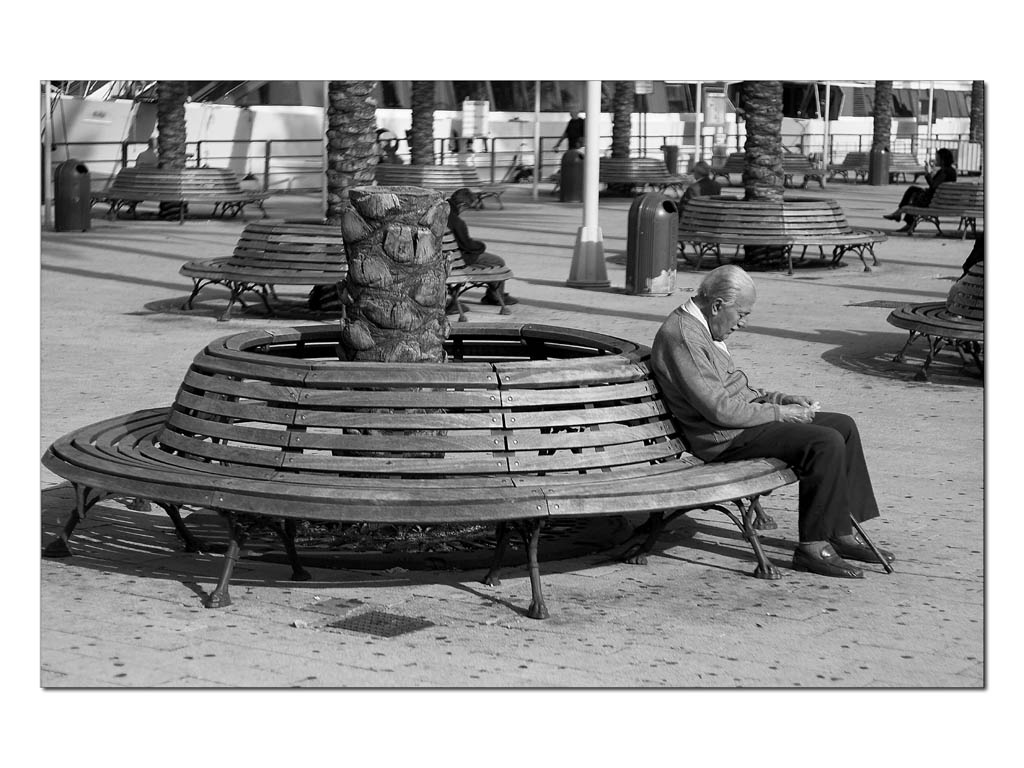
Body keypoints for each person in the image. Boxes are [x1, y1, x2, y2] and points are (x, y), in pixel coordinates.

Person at [650, 265, 895, 579]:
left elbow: (737, 391)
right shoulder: (684, 336)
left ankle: (840, 532)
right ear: (717, 306)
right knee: (823, 442)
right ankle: (812, 547)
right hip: (723, 438)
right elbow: (719, 410)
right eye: (741, 314)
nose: (743, 323)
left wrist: (781, 400)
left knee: (843, 426)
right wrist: (781, 413)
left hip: (741, 424)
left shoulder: (705, 325)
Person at [446, 188, 518, 312]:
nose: (465, 211)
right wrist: (481, 246)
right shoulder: (457, 222)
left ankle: (493, 295)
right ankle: (495, 297)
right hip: (458, 259)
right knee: (498, 261)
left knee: (488, 258)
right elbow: (468, 246)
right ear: (462, 205)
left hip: (442, 256)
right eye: (467, 208)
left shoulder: (440, 212)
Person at [883, 147, 957, 232]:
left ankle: (901, 215)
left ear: (942, 160)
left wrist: (928, 174)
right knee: (913, 190)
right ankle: (899, 214)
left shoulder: (944, 171)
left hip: (933, 201)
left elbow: (933, 185)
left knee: (914, 196)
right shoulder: (951, 171)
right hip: (939, 199)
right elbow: (937, 185)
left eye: (937, 158)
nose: (935, 160)